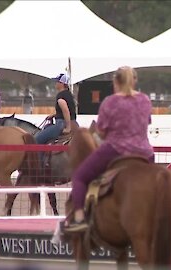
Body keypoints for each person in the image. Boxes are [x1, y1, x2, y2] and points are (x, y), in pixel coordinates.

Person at [64, 66, 153, 232]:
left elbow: (102, 132)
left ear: (115, 82)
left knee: (79, 177)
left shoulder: (110, 102)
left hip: (116, 150)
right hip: (145, 153)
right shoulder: (145, 100)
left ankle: (79, 218)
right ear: (134, 81)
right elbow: (146, 123)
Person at [35, 73, 77, 144]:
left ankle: (40, 155)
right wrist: (54, 115)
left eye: (57, 82)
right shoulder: (69, 94)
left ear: (62, 83)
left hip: (61, 124)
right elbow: (68, 110)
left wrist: (68, 128)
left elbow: (66, 111)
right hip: (74, 123)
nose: (56, 83)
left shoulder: (60, 96)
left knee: (37, 139)